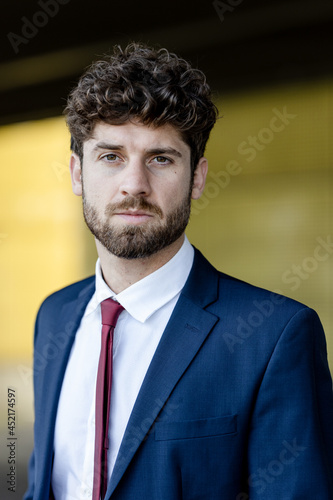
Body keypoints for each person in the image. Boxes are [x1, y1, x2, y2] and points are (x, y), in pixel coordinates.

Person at [24, 43, 333, 500]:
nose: (134, 185)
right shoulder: (53, 315)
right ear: (76, 173)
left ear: (198, 178)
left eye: (161, 159)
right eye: (111, 157)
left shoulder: (275, 336)